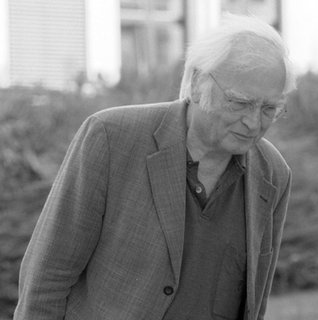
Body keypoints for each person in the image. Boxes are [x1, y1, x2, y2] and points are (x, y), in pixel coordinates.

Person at [15, 14, 295, 320]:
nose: (254, 123)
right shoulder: (112, 137)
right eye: (240, 103)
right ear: (198, 82)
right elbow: (46, 278)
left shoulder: (273, 174)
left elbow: (255, 301)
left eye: (270, 109)